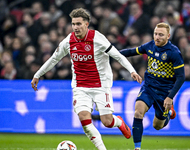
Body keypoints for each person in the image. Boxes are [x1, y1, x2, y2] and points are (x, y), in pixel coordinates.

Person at [31, 8, 142, 150]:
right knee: (84, 118)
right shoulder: (69, 41)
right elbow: (54, 59)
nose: (75, 27)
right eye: (73, 24)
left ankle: (119, 122)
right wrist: (37, 74)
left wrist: (132, 71)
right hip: (80, 86)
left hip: (100, 85)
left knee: (107, 122)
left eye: (78, 24)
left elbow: (117, 55)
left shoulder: (97, 38)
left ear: (86, 24)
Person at [120, 22, 185, 150]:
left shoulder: (174, 53)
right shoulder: (150, 46)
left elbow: (181, 77)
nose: (157, 37)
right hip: (148, 87)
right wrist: (111, 53)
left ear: (168, 36)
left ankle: (169, 111)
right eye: (155, 34)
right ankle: (137, 148)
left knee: (157, 125)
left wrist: (170, 97)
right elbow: (132, 51)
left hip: (164, 92)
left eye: (161, 35)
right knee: (138, 112)